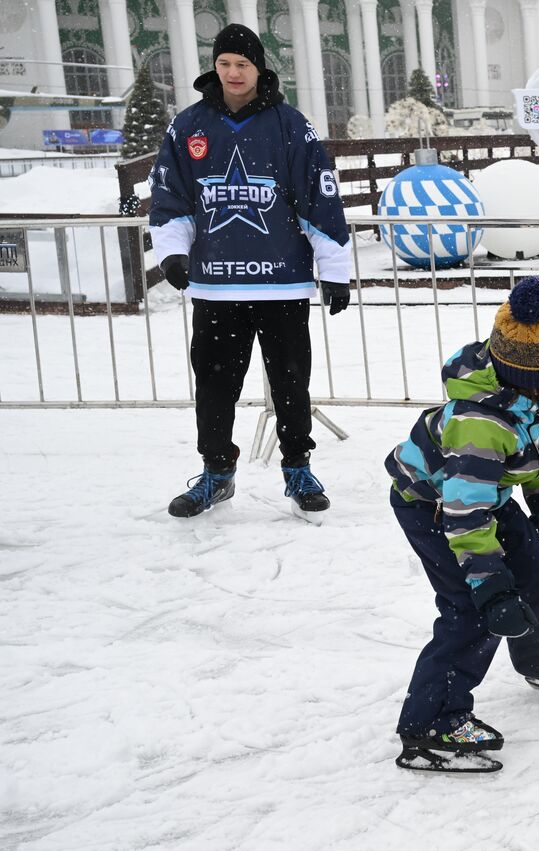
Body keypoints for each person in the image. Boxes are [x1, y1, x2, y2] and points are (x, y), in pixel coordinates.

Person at [386, 277, 539, 773]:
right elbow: (464, 515)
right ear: (522, 372)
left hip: (484, 496)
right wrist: (492, 588)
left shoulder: (523, 391)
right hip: (437, 506)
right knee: (470, 611)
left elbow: (536, 455)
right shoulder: (480, 422)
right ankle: (430, 721)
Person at [148, 24, 352, 518]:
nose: (234, 73)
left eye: (243, 64)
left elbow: (319, 199)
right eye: (225, 64)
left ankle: (298, 469)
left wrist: (336, 269)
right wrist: (173, 250)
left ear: (259, 68)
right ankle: (216, 475)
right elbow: (171, 196)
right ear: (214, 68)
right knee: (215, 387)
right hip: (217, 287)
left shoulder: (289, 124)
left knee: (290, 381)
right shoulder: (189, 127)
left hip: (281, 282)